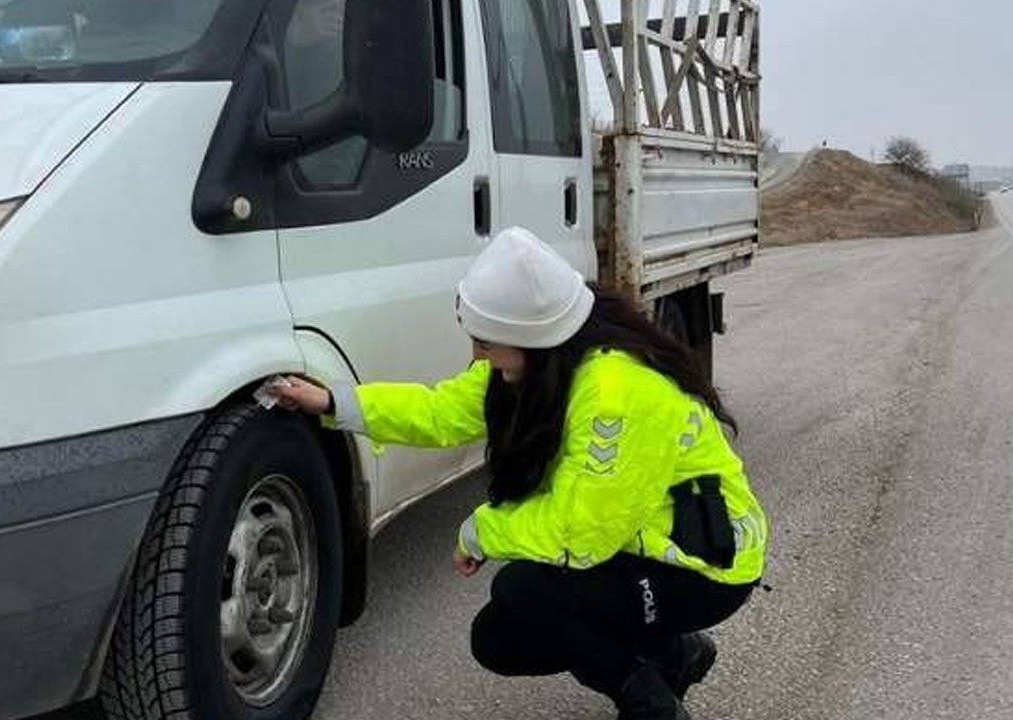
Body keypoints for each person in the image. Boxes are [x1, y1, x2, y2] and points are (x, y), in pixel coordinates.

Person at [272, 227, 768, 720]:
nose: (477, 355)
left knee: (527, 592)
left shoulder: (617, 393)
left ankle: (651, 703)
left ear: (530, 335)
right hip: (636, 542)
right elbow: (440, 411)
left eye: (485, 342)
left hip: (703, 567)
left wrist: (481, 532)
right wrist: (334, 401)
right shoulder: (536, 366)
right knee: (497, 639)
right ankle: (679, 653)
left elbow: (581, 532)